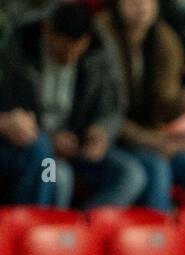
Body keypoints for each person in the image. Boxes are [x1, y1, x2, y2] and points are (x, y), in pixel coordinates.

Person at [0, 3, 145, 208]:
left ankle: (81, 232)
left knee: (131, 175)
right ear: (48, 31)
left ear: (85, 41)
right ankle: (41, 231)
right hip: (38, 146)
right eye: (62, 50)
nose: (68, 58)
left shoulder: (100, 50)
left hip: (78, 145)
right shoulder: (21, 46)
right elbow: (12, 112)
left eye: (75, 51)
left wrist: (101, 131)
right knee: (59, 177)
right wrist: (50, 139)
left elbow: (113, 106)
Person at [98, 0, 185, 211]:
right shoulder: (100, 37)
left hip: (151, 137)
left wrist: (183, 102)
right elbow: (105, 113)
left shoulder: (165, 40)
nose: (142, 7)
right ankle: (157, 239)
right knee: (157, 168)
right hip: (111, 138)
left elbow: (163, 111)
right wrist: (151, 140)